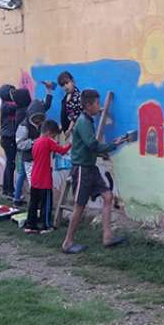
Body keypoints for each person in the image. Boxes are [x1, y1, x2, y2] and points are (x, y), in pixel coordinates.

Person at [61, 89, 126, 254]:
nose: (100, 106)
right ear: (89, 106)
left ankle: (107, 236)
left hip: (91, 167)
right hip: (82, 169)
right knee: (79, 206)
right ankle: (67, 242)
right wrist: (113, 145)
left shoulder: (88, 120)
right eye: (97, 104)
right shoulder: (83, 122)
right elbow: (92, 145)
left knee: (108, 196)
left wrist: (112, 144)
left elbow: (92, 146)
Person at [24, 120, 71, 234]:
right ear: (49, 133)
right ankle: (46, 225)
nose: (55, 138)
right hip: (44, 180)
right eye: (54, 136)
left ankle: (30, 225)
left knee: (33, 204)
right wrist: (71, 144)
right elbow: (62, 151)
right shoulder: (48, 141)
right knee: (46, 204)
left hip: (35, 177)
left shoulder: (36, 142)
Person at [15, 95, 52, 194]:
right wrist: (33, 142)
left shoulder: (42, 125)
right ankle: (34, 203)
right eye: (36, 119)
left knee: (40, 181)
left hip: (40, 159)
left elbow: (47, 105)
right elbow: (19, 143)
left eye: (40, 119)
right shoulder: (24, 126)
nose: (38, 122)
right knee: (33, 182)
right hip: (29, 158)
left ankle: (38, 202)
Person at [0, 84, 17, 199]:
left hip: (9, 138)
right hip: (8, 138)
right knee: (10, 163)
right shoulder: (6, 106)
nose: (14, 95)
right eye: (12, 93)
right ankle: (8, 190)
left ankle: (8, 188)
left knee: (10, 163)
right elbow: (19, 106)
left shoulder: (8, 105)